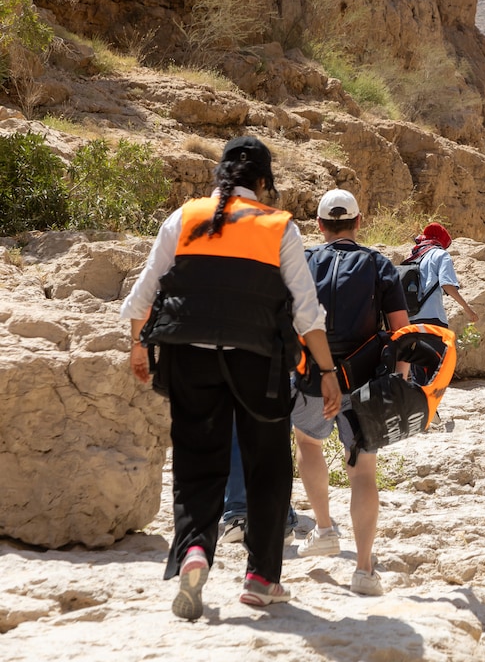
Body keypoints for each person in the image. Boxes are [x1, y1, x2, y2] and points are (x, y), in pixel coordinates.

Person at [121, 135, 342, 620]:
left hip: (187, 358)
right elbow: (308, 313)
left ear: (221, 175)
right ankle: (262, 577)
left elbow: (141, 297)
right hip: (257, 363)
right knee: (267, 465)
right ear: (263, 182)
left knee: (198, 462)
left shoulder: (185, 218)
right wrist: (327, 372)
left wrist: (139, 346)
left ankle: (195, 552)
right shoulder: (279, 226)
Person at [292, 188, 409, 597]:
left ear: (320, 225)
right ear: (359, 222)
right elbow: (400, 331)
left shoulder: (304, 260)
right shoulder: (378, 264)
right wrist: (400, 379)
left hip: (311, 375)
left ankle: (324, 528)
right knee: (362, 471)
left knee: (307, 444)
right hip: (363, 380)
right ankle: (363, 570)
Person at [404, 222, 478, 329]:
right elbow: (447, 285)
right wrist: (468, 310)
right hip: (431, 317)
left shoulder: (412, 256)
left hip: (408, 319)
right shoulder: (441, 254)